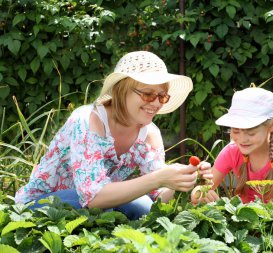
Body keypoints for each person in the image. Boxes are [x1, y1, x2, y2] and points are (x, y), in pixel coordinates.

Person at [15, 51, 211, 220]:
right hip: (44, 204)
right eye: (148, 94)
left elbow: (157, 198)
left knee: (144, 207)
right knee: (135, 205)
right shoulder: (87, 120)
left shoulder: (150, 134)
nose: (156, 103)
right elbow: (92, 197)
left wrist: (183, 178)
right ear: (121, 90)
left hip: (98, 205)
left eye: (162, 96)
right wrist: (158, 178)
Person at [191, 86, 273, 205]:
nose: (242, 139)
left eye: (251, 132)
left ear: (272, 125)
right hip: (243, 220)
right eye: (236, 131)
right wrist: (198, 194)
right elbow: (204, 187)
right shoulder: (232, 151)